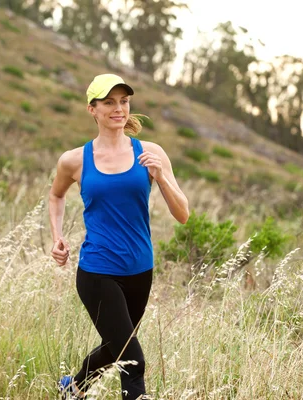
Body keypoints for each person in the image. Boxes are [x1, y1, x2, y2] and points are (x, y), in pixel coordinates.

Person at [48, 73, 189, 400]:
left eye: (123, 101)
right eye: (109, 102)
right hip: (97, 271)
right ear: (92, 109)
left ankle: (73, 388)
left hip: (140, 270)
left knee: (115, 347)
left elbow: (183, 214)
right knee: (132, 360)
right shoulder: (74, 160)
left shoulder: (151, 152)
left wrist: (161, 177)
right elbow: (56, 196)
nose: (118, 108)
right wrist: (56, 237)